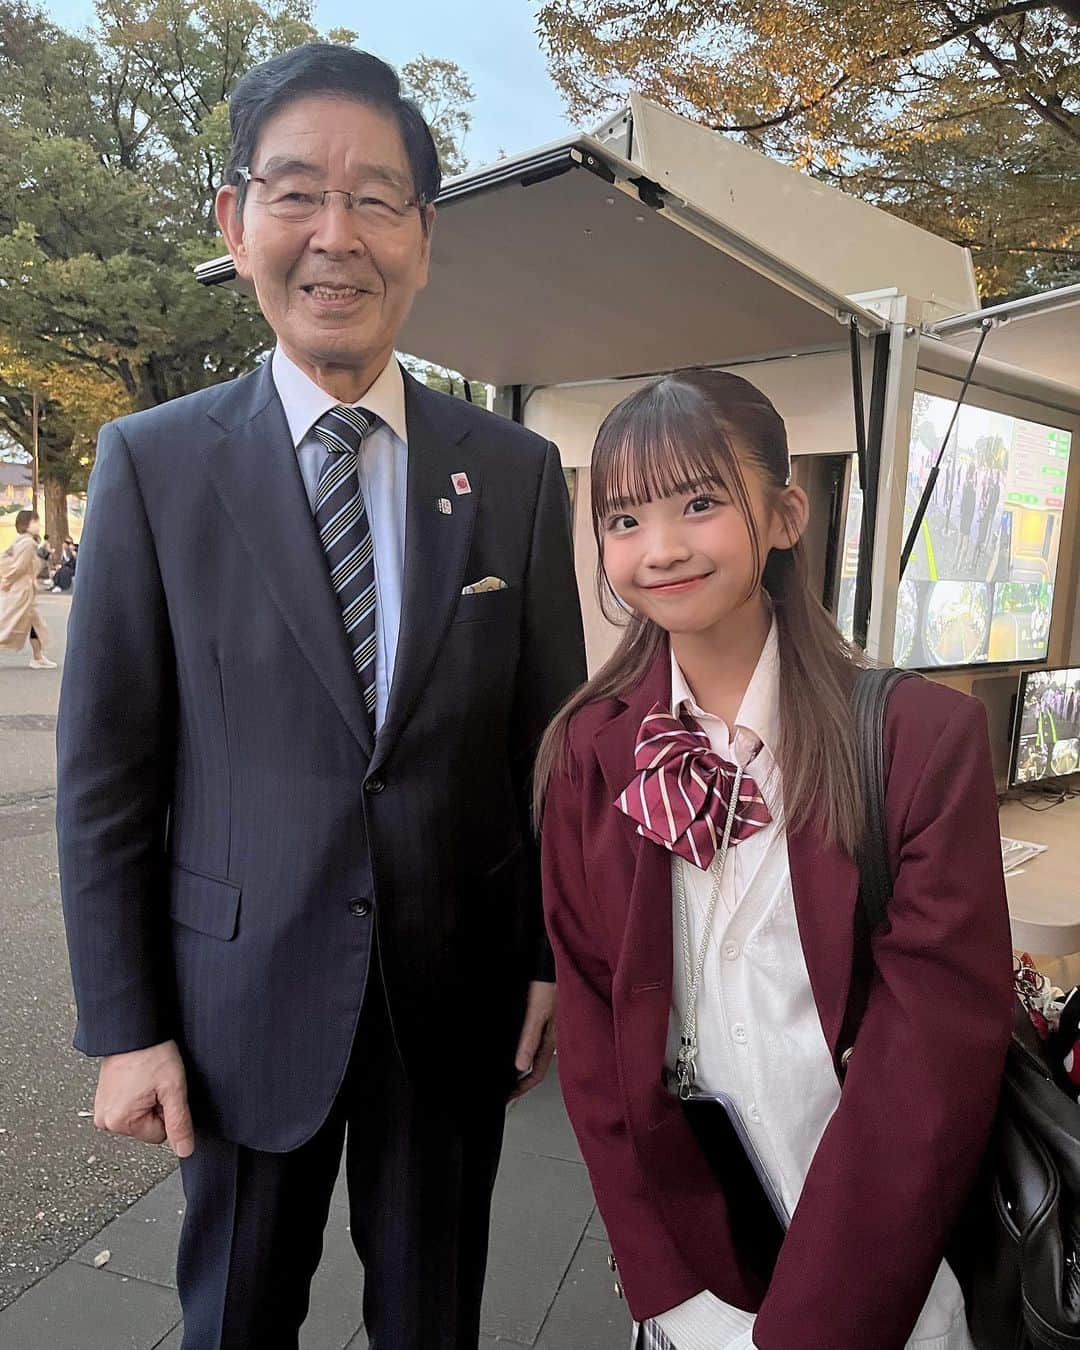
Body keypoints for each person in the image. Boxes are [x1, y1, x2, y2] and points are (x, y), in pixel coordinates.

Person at [57, 43, 585, 1350]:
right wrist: (127, 1028)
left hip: (450, 1001)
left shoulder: (512, 472)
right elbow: (109, 773)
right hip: (236, 1004)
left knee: (433, 1320)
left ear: (423, 233)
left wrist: (544, 958)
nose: (334, 236)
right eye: (296, 192)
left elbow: (548, 746)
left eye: (377, 197)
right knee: (233, 1320)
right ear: (236, 222)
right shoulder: (154, 466)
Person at [536, 369, 1013, 1350]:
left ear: (786, 514)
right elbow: (592, 1023)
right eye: (623, 519)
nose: (659, 548)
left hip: (884, 1285)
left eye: (701, 503)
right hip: (694, 1275)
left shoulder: (922, 740)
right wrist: (664, 1288)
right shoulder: (591, 748)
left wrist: (818, 1328)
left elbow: (930, 1071)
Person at [0, 510, 58, 668]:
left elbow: (6, 560)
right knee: (8, 626)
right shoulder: (28, 543)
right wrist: (7, 581)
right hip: (22, 591)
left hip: (22, 590)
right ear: (27, 524)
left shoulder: (19, 541)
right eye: (35, 521)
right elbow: (20, 567)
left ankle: (38, 656)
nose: (38, 525)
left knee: (33, 623)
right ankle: (37, 657)